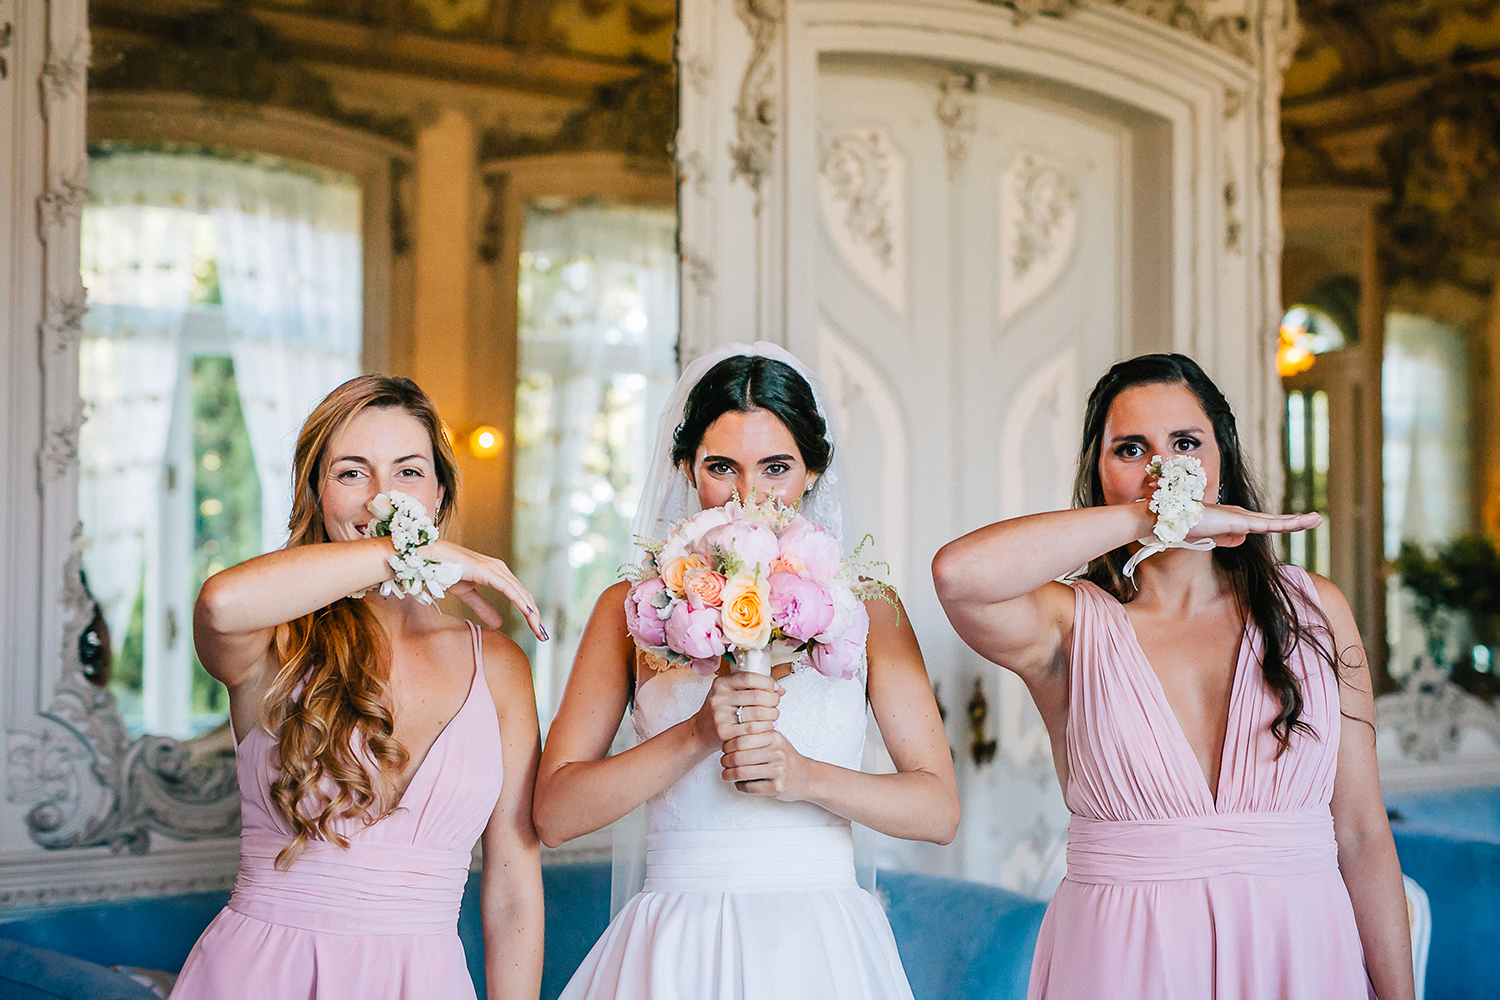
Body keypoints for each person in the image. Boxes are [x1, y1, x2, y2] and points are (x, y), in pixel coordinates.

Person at [932, 354, 1414, 1000]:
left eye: (1186, 444)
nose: (1162, 469)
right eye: (1131, 449)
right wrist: (1149, 516)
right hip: (1124, 961)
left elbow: (1360, 833)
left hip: (1297, 953)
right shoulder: (1068, 624)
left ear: (1223, 460)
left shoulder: (1316, 609)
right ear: (1097, 474)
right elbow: (958, 575)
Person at [532, 343, 959, 1000]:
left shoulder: (869, 608)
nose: (748, 496)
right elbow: (555, 814)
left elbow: (937, 810)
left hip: (823, 948)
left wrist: (808, 777)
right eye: (721, 467)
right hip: (677, 945)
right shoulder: (635, 608)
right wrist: (699, 733)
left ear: (813, 471)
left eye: (777, 467)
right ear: (685, 468)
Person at [171, 375, 547, 1000]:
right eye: (351, 473)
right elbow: (218, 603)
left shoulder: (500, 667)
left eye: (408, 472)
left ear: (440, 492)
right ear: (316, 495)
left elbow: (513, 891)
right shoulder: (272, 642)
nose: (382, 499)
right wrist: (398, 550)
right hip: (260, 976)